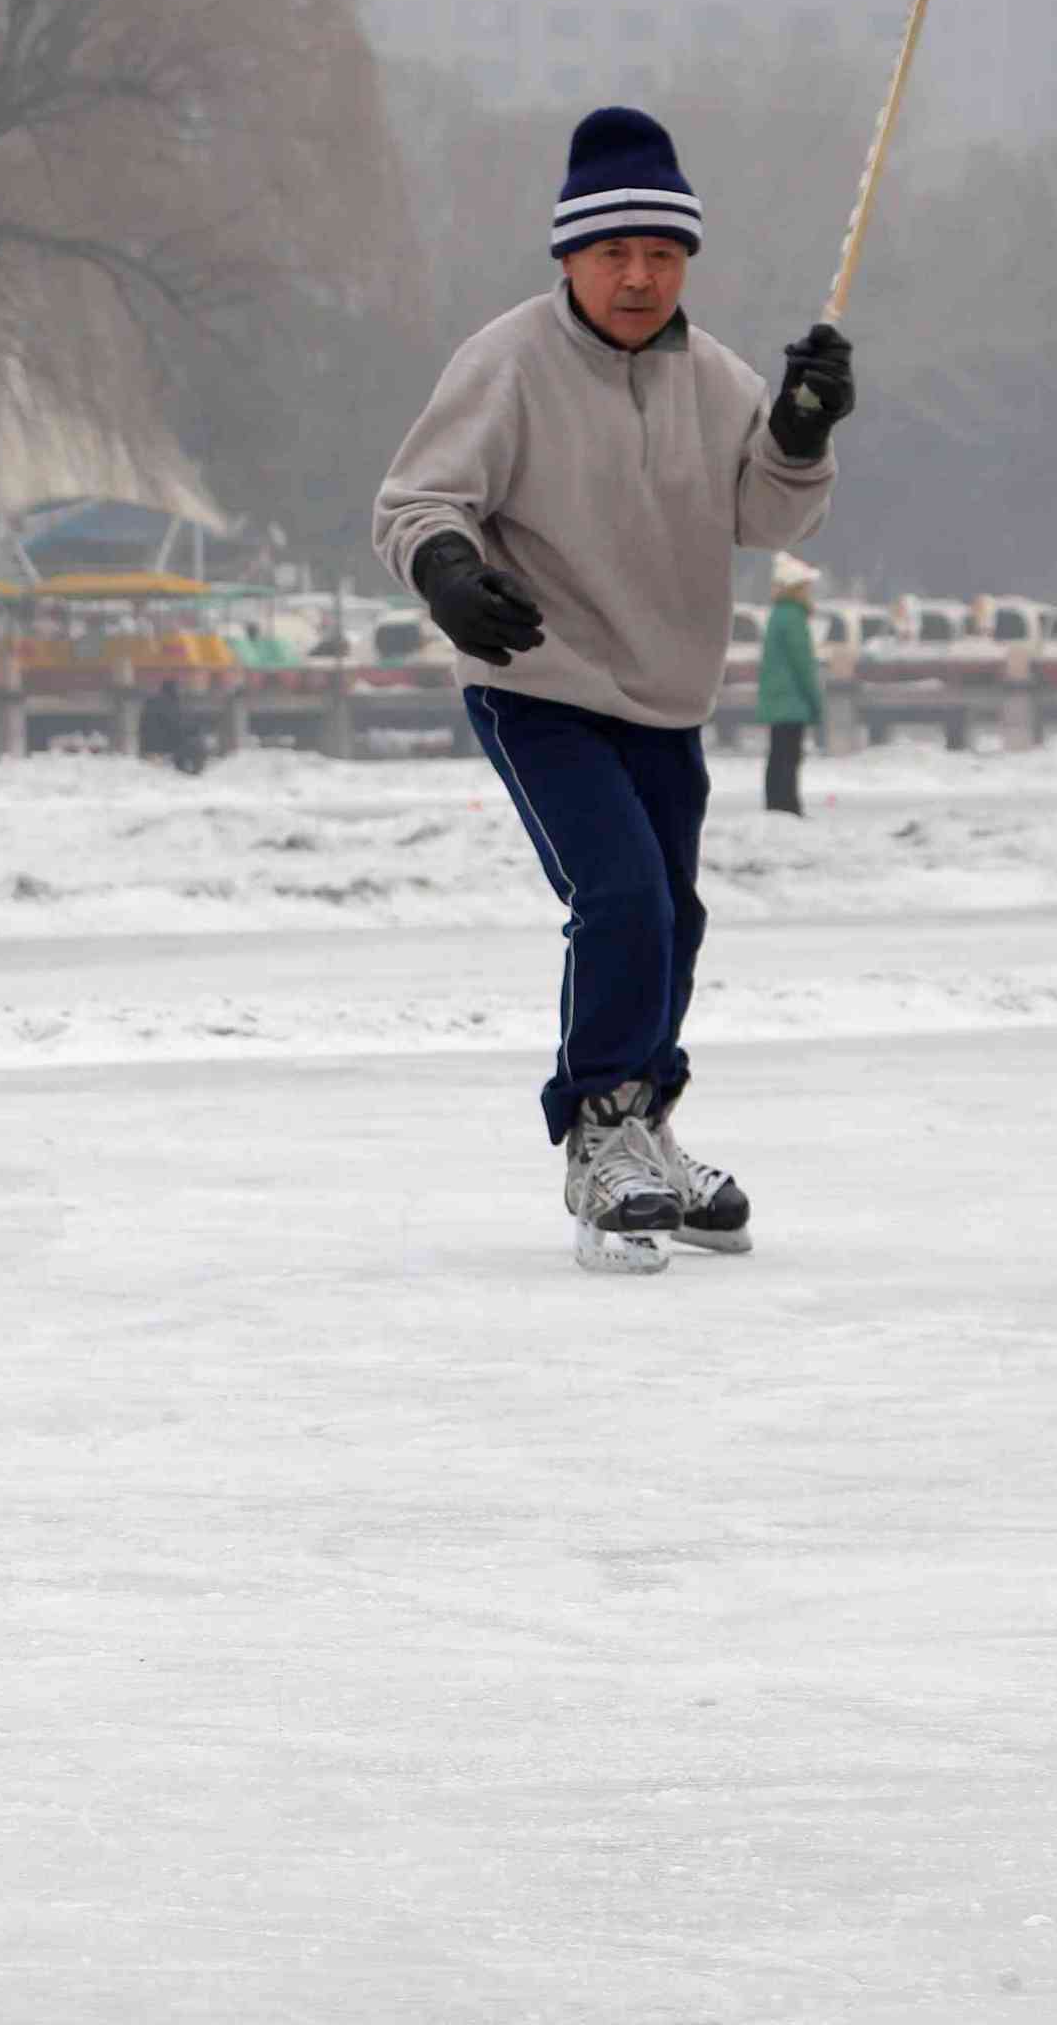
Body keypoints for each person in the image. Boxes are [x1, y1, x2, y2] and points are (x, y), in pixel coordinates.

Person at [372, 104, 848, 1274]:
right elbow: (415, 502)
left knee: (676, 917)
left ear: (686, 262)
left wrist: (799, 428)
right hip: (537, 684)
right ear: (570, 259)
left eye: (662, 255)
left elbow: (769, 517)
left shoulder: (720, 377)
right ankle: (596, 1129)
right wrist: (450, 574)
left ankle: (649, 1124)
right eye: (613, 254)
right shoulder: (508, 362)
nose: (638, 277)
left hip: (665, 694)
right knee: (624, 896)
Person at [759, 552, 824, 817]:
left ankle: (776, 804)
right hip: (792, 700)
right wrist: (815, 702)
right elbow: (804, 666)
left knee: (778, 755)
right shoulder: (794, 618)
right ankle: (787, 806)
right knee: (789, 757)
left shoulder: (778, 614)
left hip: (777, 699)